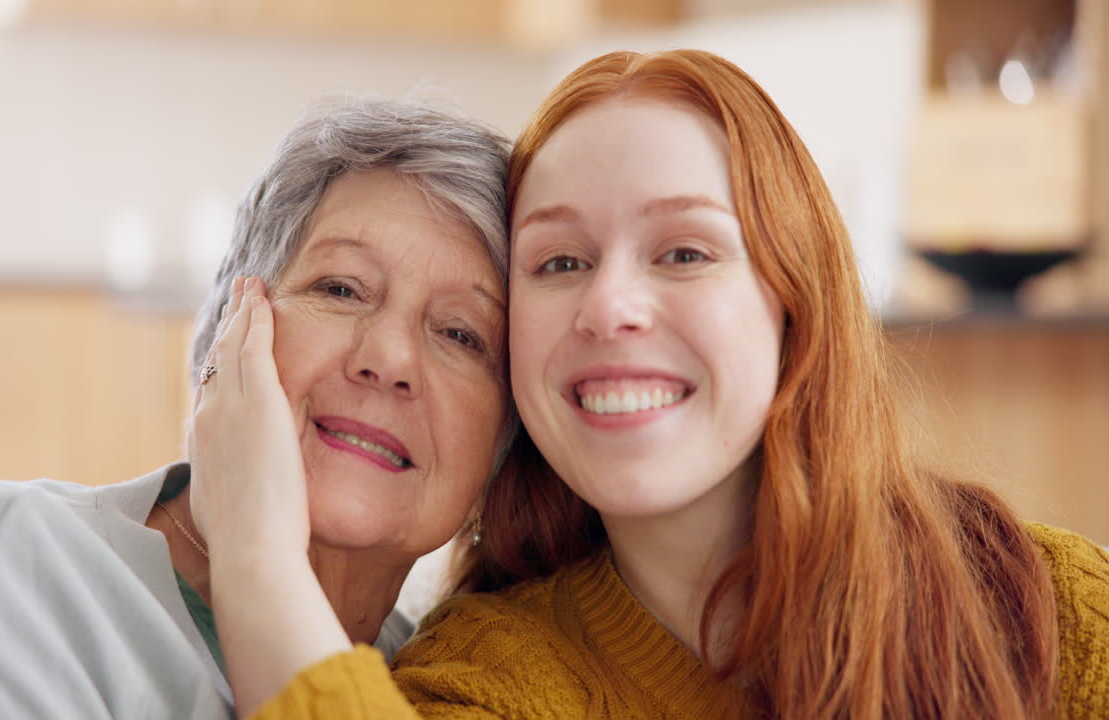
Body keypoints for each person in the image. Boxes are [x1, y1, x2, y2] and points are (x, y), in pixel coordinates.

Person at [197, 51, 1109, 719]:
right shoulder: (491, 678)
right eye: (559, 260)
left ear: (795, 306)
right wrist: (259, 559)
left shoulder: (1041, 608)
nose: (611, 306)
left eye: (684, 251)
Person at [0, 97, 515, 719]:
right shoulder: (4, 568)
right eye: (341, 288)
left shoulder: (454, 685)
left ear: (507, 443)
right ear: (228, 325)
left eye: (461, 334)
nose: (389, 359)